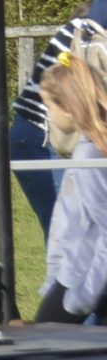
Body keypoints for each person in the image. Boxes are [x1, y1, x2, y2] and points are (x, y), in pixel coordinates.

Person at [8, 0, 107, 236]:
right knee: (69, 231)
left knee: (72, 230)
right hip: (43, 134)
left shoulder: (86, 31)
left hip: (56, 132)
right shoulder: (88, 37)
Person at [32, 34, 107, 324]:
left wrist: (82, 297)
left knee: (44, 342)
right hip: (76, 276)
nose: (49, 116)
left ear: (68, 108)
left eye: (49, 107)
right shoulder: (89, 150)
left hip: (80, 280)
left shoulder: (90, 156)